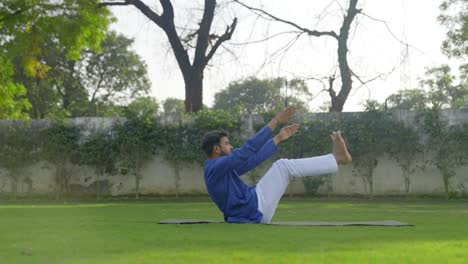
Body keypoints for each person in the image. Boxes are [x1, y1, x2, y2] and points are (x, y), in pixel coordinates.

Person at [201, 106, 352, 224]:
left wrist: (278, 138)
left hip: (252, 212)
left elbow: (252, 160)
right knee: (283, 166)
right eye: (227, 144)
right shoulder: (214, 168)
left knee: (282, 167)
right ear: (216, 149)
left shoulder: (220, 169)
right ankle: (336, 158)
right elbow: (246, 150)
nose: (231, 147)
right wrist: (276, 121)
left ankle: (335, 159)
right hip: (253, 209)